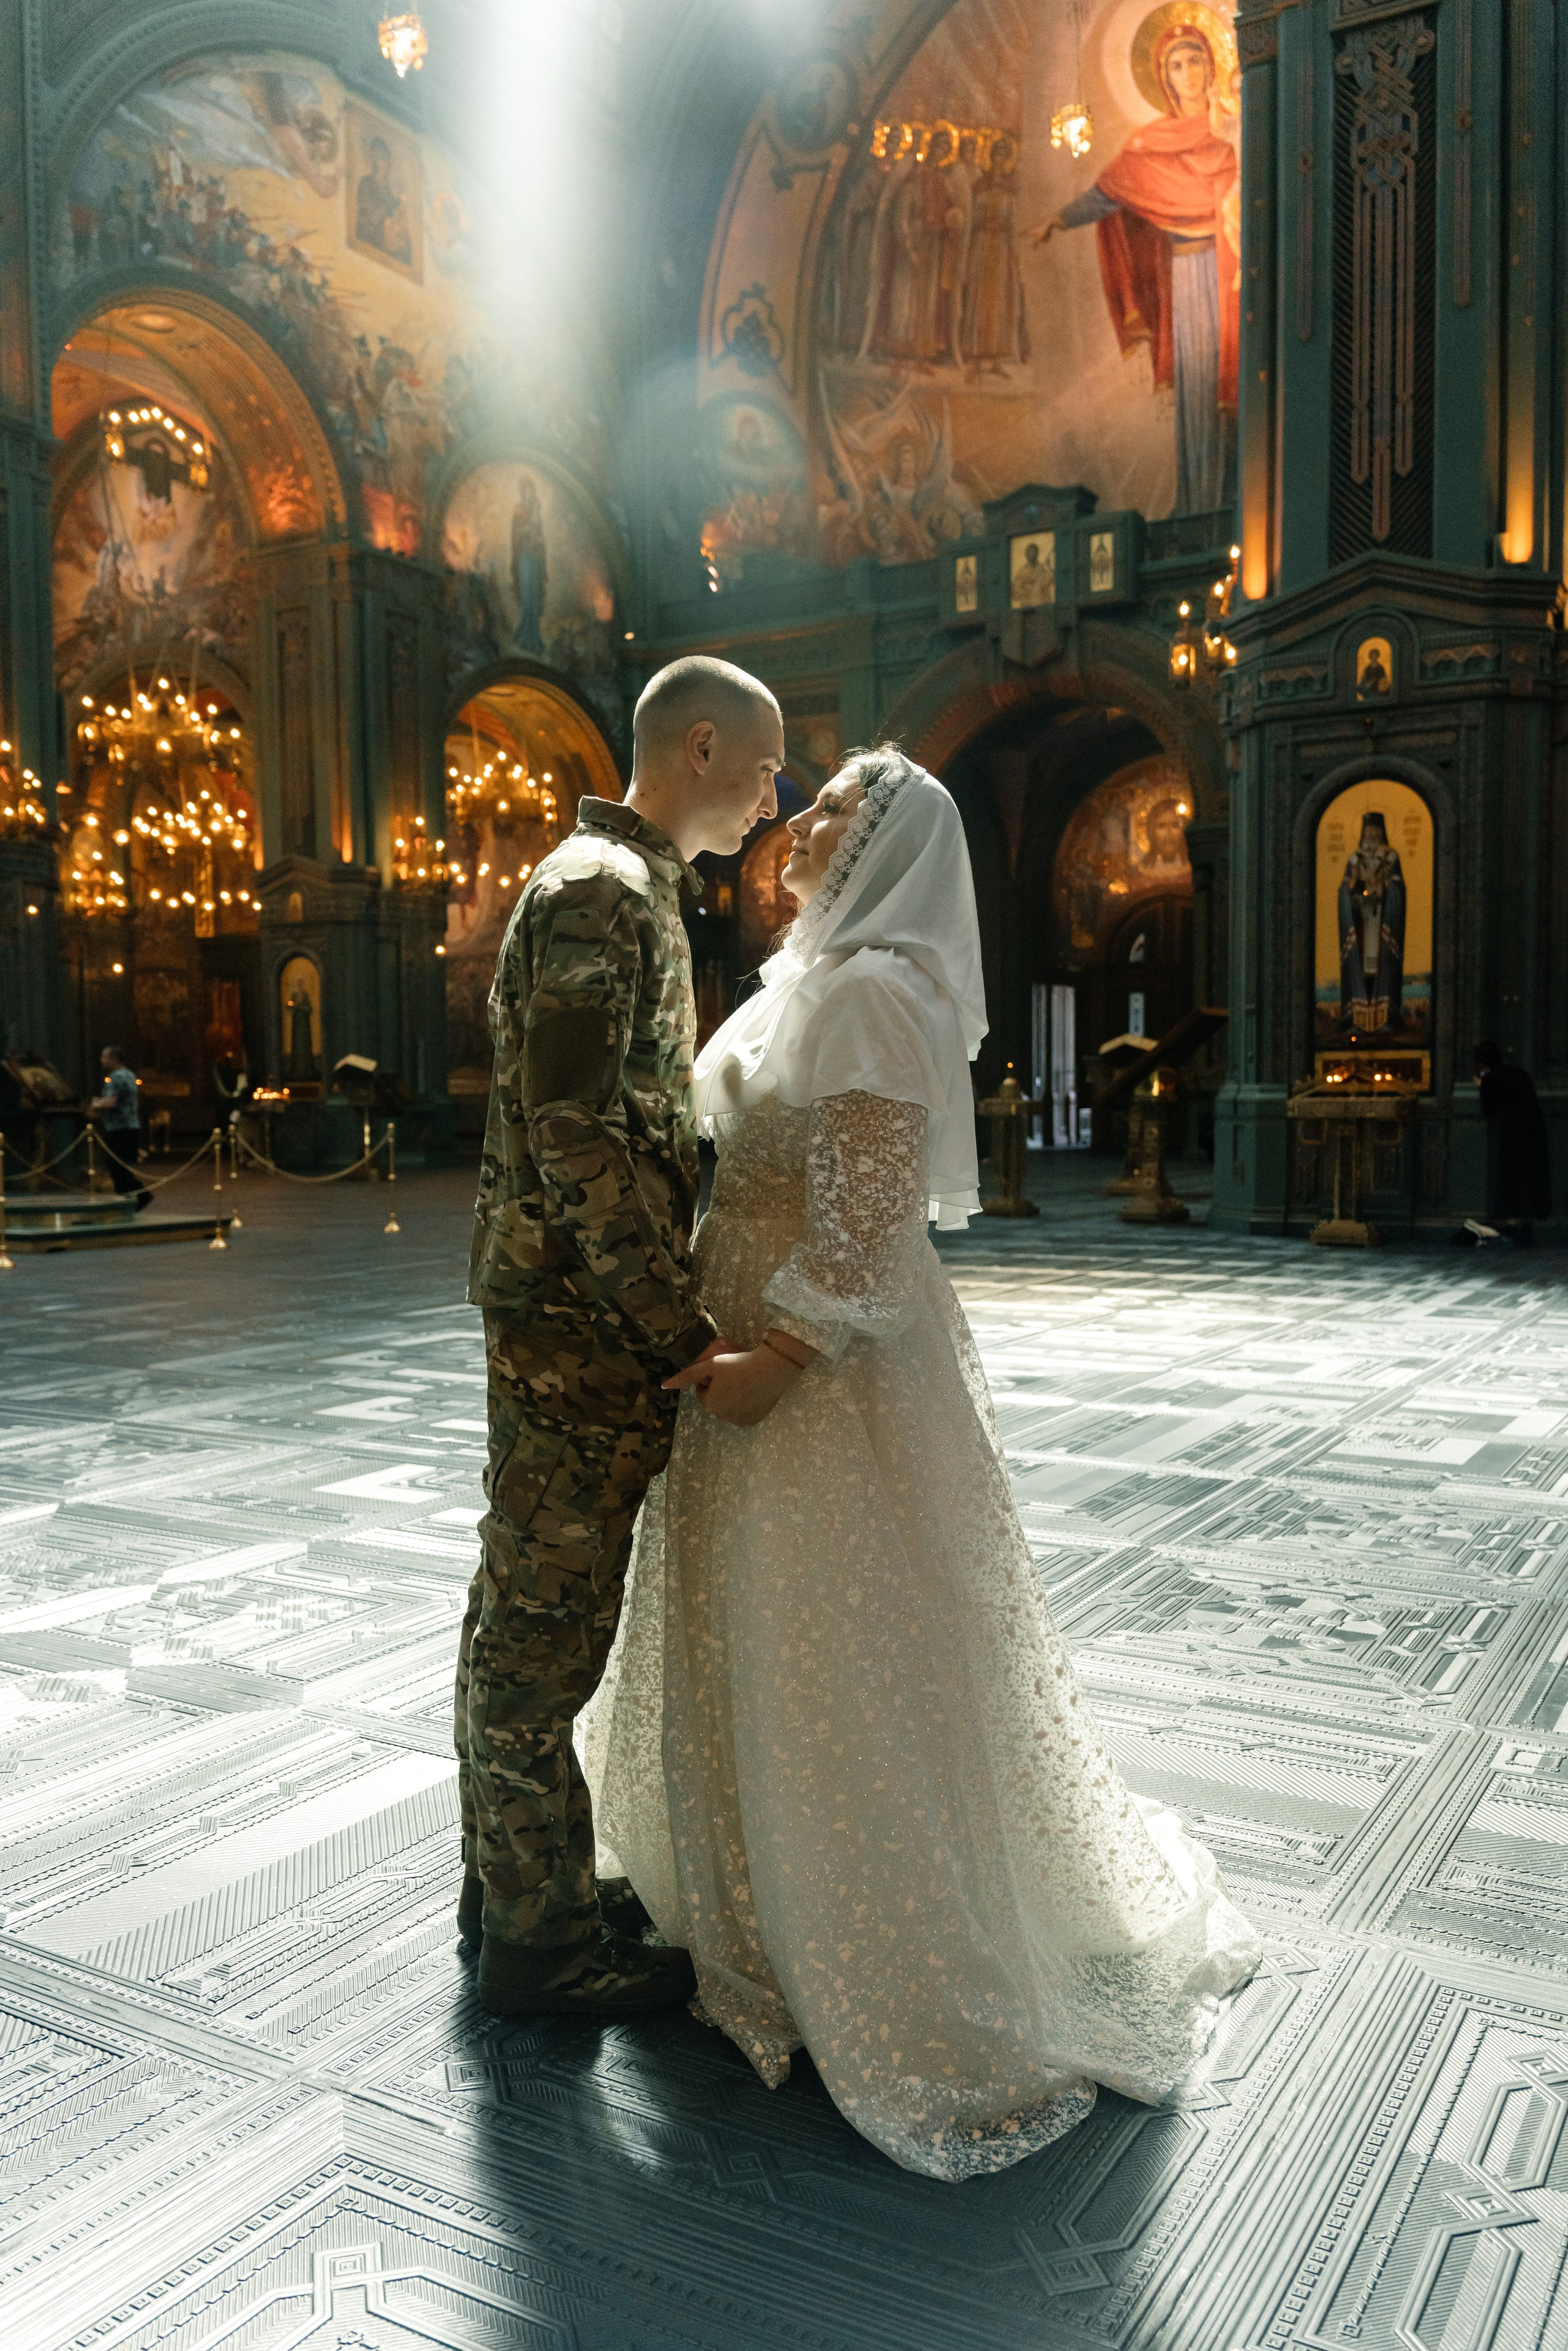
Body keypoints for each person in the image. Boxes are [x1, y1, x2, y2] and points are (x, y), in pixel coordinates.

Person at [582, 746, 1260, 2179]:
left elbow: (871, 1209)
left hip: (822, 1364)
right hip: (740, 1316)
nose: (802, 817)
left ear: (886, 848)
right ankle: (747, 1896)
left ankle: (861, 1926)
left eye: (836, 806)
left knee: (835, 1626)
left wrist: (785, 1351)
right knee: (749, 1618)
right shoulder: (800, 978)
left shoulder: (877, 992)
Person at [456, 654, 785, 2020]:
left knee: (530, 1609)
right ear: (700, 746)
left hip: (573, 1316)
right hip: (579, 1327)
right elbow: (576, 1132)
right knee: (539, 1636)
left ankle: (518, 1887)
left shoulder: (627, 884)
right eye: (763, 767)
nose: (774, 798)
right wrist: (675, 1329)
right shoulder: (603, 889)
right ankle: (539, 1947)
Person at [1030, 25, 1240, 516]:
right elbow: (1111, 192)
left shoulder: (1234, 128)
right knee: (1197, 390)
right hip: (1187, 278)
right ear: (1163, 78)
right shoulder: (1149, 143)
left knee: (1240, 387)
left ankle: (1238, 507)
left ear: (1211, 66)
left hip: (1235, 276)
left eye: (1194, 61)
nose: (1187, 74)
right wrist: (1057, 220)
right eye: (1176, 65)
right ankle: (1199, 508)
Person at [1474, 1041, 1551, 1243]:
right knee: (1529, 1174)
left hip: (1512, 1131)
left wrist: (1482, 1085)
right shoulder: (1518, 1072)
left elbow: (1488, 1110)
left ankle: (1513, 1223)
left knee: (1511, 1178)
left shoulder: (1490, 1079)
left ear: (1482, 1065)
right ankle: (1527, 1221)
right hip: (1534, 1128)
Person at [87, 1046, 150, 1210]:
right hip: (128, 1128)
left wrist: (95, 1105)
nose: (102, 1060)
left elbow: (112, 1101)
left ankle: (141, 1197)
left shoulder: (119, 1076)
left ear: (114, 1058)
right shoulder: (128, 1075)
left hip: (121, 1129)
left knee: (117, 1168)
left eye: (104, 1057)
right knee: (121, 1166)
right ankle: (127, 1202)